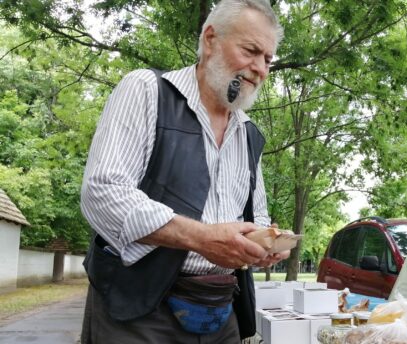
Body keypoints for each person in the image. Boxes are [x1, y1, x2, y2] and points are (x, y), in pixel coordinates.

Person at [79, 0, 288, 343]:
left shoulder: (249, 133)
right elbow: (103, 193)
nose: (260, 69)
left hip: (222, 313)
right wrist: (201, 238)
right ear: (210, 39)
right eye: (251, 51)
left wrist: (265, 243)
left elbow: (257, 216)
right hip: (139, 313)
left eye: (268, 59)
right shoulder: (146, 91)